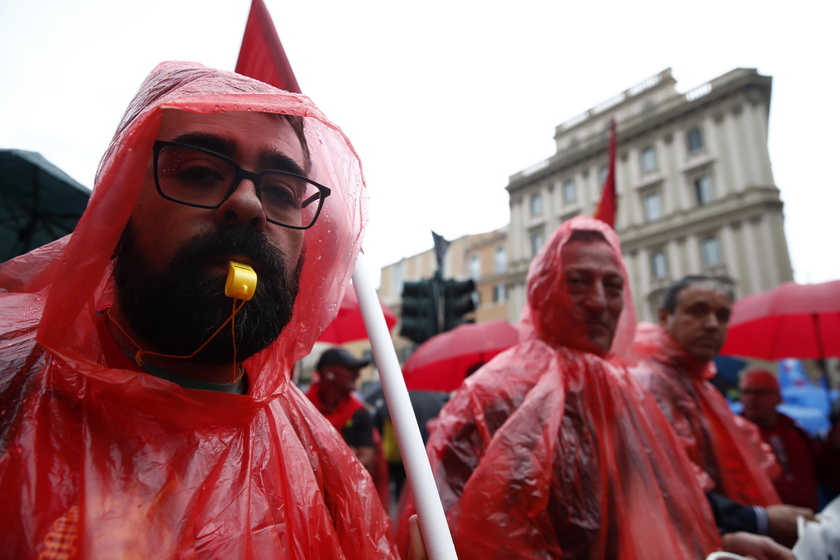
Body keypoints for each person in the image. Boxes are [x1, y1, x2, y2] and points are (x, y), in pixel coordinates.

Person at [0, 61, 401, 558]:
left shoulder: (323, 466)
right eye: (199, 172)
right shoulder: (12, 390)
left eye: (281, 191)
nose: (250, 203)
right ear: (116, 208)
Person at [398, 216, 741, 559]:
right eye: (577, 282)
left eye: (613, 286)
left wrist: (723, 541)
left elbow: (663, 504)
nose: (598, 302)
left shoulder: (629, 392)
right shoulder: (494, 395)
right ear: (541, 291)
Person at [630, 275, 815, 548]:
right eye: (698, 311)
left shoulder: (703, 389)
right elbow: (662, 487)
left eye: (722, 315)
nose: (712, 324)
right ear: (664, 317)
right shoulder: (649, 383)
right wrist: (757, 520)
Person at [306, 347, 390, 507]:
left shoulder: (359, 412)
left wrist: (320, 460)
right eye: (350, 369)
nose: (357, 374)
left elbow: (367, 461)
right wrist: (348, 455)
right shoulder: (303, 409)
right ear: (329, 373)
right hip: (310, 500)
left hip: (346, 502)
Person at [740, 369, 823, 510]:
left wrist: (833, 448)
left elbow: (823, 472)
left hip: (807, 514)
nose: (752, 398)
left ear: (778, 397)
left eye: (760, 392)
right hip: (766, 519)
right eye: (746, 392)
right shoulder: (736, 434)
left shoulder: (795, 431)